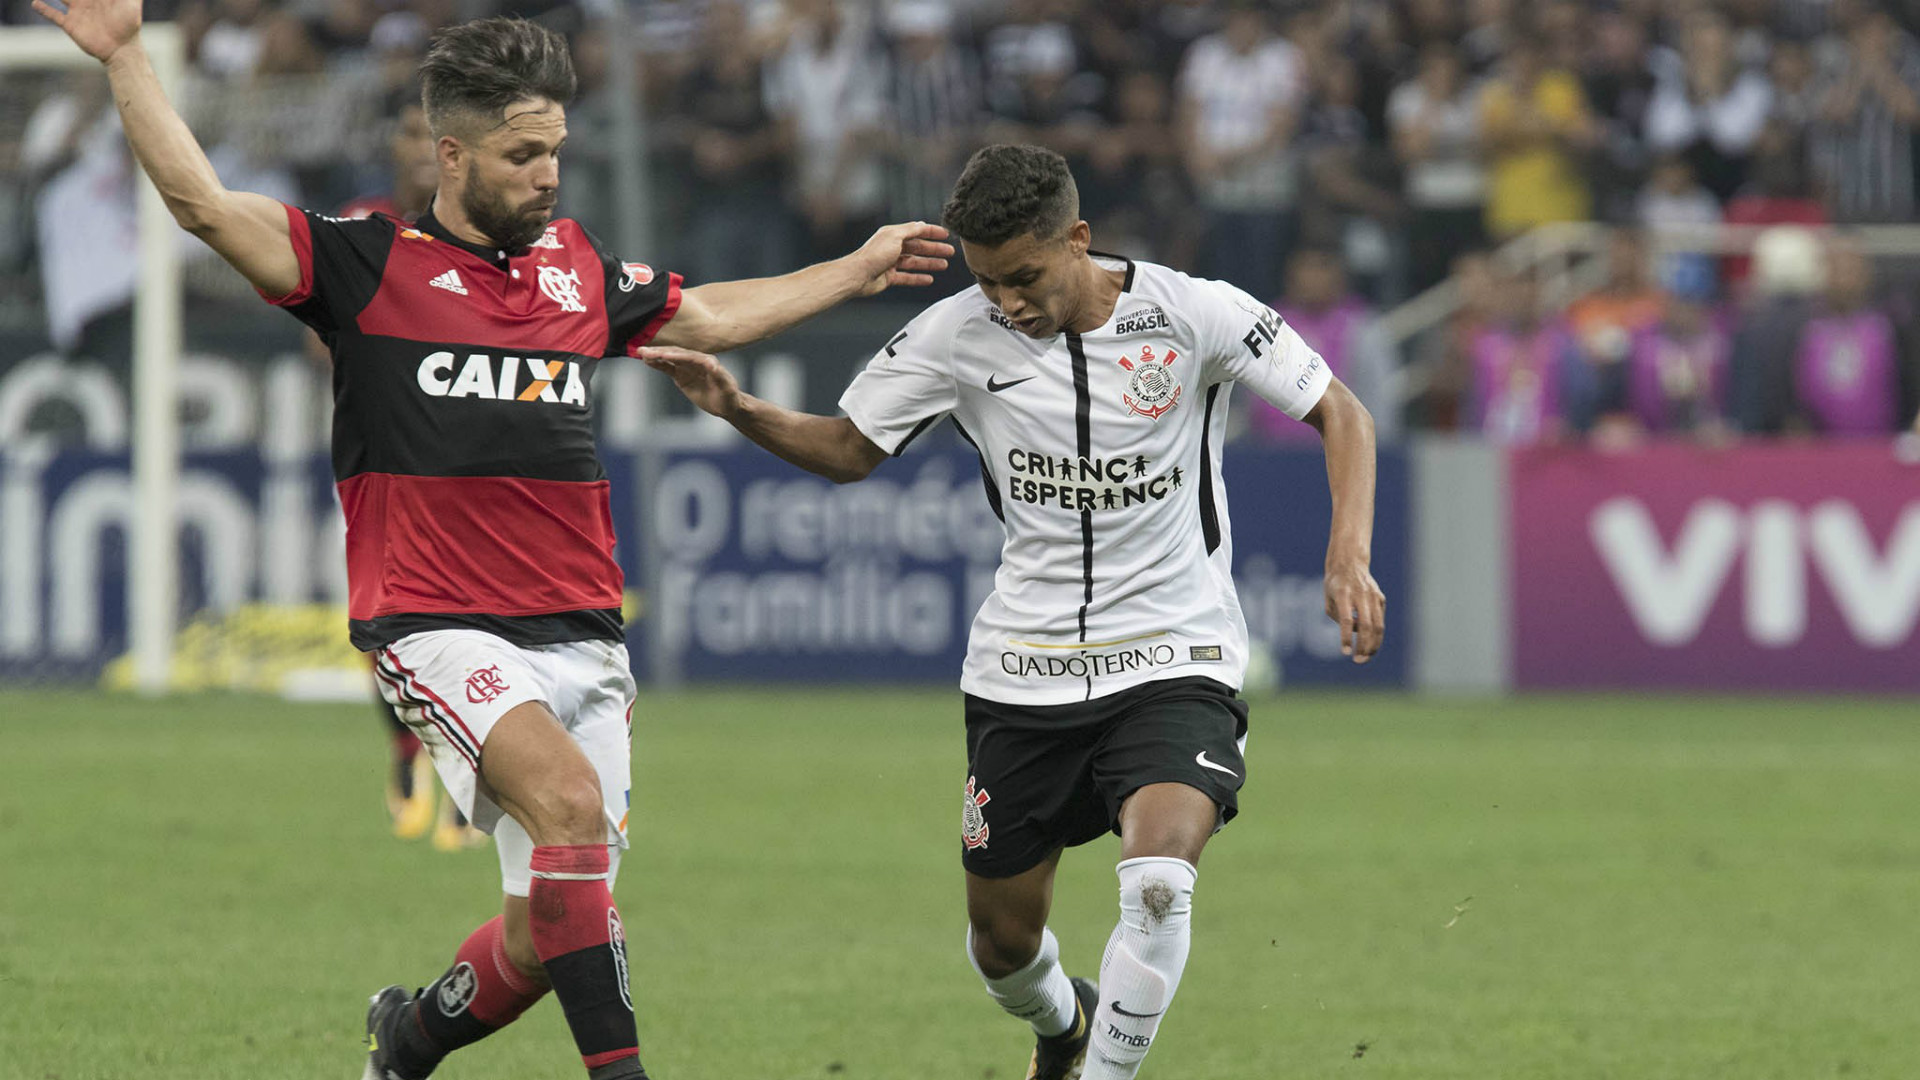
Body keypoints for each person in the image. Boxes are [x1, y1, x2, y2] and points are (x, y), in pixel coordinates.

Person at [31, 6, 951, 1079]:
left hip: (583, 636)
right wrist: (129, 56)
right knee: (566, 810)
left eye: (556, 149)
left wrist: (859, 264)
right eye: (524, 156)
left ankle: (406, 1041)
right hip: (437, 625)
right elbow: (198, 203)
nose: (550, 174)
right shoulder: (362, 266)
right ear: (453, 153)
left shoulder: (573, 266)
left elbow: (708, 317)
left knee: (542, 934)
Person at [641, 144, 1384, 1080]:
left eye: (1025, 277)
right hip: (1019, 674)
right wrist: (737, 407)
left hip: (1173, 654)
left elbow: (1342, 412)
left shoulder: (1198, 312)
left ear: (1077, 238)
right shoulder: (955, 333)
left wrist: (1348, 555)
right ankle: (1063, 1028)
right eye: (989, 282)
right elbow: (847, 448)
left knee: (1158, 885)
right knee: (1000, 947)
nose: (1009, 302)